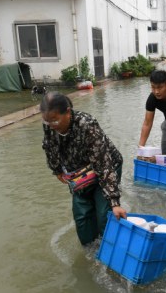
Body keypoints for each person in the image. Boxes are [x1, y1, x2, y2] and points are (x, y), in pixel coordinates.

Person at [40, 92, 127, 246]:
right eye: (47, 122)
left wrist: (114, 202)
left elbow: (104, 165)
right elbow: (48, 146)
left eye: (54, 121)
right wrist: (56, 169)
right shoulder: (49, 125)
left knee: (103, 217)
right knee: (83, 222)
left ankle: (111, 252)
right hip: (78, 175)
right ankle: (91, 256)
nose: (51, 125)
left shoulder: (87, 125)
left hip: (104, 169)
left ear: (67, 112)